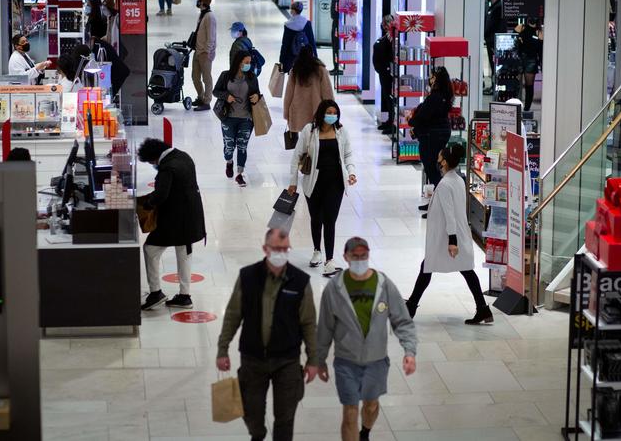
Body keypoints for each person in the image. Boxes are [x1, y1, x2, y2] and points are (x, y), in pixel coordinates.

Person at [217, 228, 318, 441]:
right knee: (251, 412)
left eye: (285, 249)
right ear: (265, 249)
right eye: (277, 249)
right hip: (253, 359)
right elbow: (233, 315)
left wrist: (313, 359)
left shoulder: (300, 281)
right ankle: (258, 434)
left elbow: (308, 322)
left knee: (285, 416)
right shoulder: (248, 276)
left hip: (287, 360)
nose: (281, 253)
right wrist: (222, 349)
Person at [317, 237, 417, 441]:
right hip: (346, 360)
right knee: (350, 411)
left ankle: (365, 432)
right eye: (355, 256)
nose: (360, 260)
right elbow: (325, 328)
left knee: (371, 405)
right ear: (345, 257)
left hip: (376, 360)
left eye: (364, 256)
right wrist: (318, 359)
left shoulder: (383, 285)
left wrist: (409, 351)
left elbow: (402, 321)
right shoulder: (335, 288)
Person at [405, 145, 494, 325]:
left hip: (447, 236)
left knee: (428, 267)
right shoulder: (458, 179)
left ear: (443, 161)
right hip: (454, 233)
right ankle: (483, 309)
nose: (437, 158)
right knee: (460, 269)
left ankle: (410, 308)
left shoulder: (445, 184)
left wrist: (452, 241)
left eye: (439, 155)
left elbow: (449, 214)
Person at [288, 100, 356, 277]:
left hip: (336, 182)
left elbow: (348, 154)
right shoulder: (309, 131)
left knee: (330, 220)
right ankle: (317, 250)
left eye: (335, 112)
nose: (332, 115)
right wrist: (293, 181)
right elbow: (297, 156)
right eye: (329, 112)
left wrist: (351, 172)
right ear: (321, 113)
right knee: (316, 218)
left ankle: (329, 260)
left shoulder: (341, 131)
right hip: (313, 182)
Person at [138, 138, 206, 311]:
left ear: (155, 157)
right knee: (184, 253)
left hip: (175, 219)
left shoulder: (167, 168)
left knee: (150, 249)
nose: (153, 164)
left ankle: (156, 292)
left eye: (151, 161)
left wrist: (146, 204)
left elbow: (161, 195)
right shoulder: (184, 156)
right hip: (192, 215)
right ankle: (184, 296)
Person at [212, 50, 262, 187]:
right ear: (239, 62)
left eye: (250, 62)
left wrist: (257, 96)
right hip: (228, 118)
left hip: (246, 119)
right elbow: (215, 91)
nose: (249, 65)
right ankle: (229, 162)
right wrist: (225, 96)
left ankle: (239, 174)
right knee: (229, 147)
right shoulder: (226, 76)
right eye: (246, 62)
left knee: (242, 147)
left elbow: (257, 92)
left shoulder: (251, 77)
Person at [409, 66, 453, 214]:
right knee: (433, 167)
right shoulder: (444, 95)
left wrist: (412, 122)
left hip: (432, 136)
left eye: (432, 76)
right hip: (438, 133)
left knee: (431, 168)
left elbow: (423, 116)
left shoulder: (435, 97)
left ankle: (441, 205)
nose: (430, 79)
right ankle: (436, 203)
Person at [283, 46, 334, 134]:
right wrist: (331, 110)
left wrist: (286, 113)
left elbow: (288, 94)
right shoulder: (320, 70)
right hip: (316, 109)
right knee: (315, 136)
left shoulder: (295, 71)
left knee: (302, 139)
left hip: (298, 111)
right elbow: (327, 92)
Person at [191, 0, 217, 111]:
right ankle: (200, 97)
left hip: (205, 53)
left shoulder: (210, 17)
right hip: (197, 51)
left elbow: (211, 37)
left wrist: (207, 51)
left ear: (203, 2)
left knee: (206, 78)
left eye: (199, 0)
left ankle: (207, 101)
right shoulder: (202, 14)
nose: (197, 1)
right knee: (195, 76)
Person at [278, 2, 317, 74]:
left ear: (293, 10)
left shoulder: (288, 25)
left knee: (292, 77)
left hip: (291, 56)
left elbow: (285, 44)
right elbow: (311, 40)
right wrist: (315, 56)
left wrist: (282, 60)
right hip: (305, 55)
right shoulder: (307, 23)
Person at [372, 15, 395, 133]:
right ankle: (390, 121)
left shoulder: (392, 38)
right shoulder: (386, 37)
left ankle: (392, 123)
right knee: (386, 97)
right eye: (384, 24)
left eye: (387, 24)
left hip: (388, 72)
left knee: (390, 98)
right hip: (383, 72)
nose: (385, 26)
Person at [515, 17, 543, 111]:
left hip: (531, 60)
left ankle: (526, 109)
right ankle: (515, 106)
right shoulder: (521, 27)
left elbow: (540, 50)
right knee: (516, 84)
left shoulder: (539, 32)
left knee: (529, 86)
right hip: (519, 58)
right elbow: (513, 40)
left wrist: (541, 65)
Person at [484, 0, 505, 95]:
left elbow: (492, 25)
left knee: (495, 65)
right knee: (492, 65)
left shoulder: (498, 7)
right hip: (490, 40)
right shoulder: (493, 6)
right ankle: (493, 86)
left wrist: (485, 33)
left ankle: (496, 87)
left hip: (494, 41)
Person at [328, 0, 341, 76]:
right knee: (334, 44)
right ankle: (336, 66)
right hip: (335, 22)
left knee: (336, 45)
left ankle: (337, 67)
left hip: (338, 23)